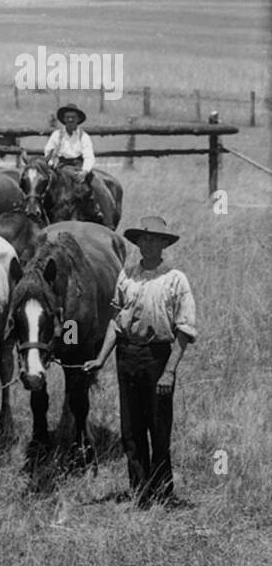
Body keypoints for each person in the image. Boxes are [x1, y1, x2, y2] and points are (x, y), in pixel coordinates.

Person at [84, 216, 197, 509]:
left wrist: (169, 372)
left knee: (158, 428)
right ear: (138, 243)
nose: (149, 244)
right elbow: (116, 322)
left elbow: (185, 329)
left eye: (155, 240)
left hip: (157, 357)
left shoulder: (175, 279)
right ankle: (140, 491)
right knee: (131, 429)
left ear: (164, 244)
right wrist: (100, 359)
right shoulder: (128, 276)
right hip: (127, 356)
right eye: (144, 239)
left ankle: (163, 492)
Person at [44, 104, 104, 218]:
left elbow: (89, 156)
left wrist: (84, 171)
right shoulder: (57, 135)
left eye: (73, 117)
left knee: (98, 187)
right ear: (64, 119)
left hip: (79, 166)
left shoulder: (83, 136)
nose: (70, 120)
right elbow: (48, 152)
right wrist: (53, 163)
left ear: (78, 119)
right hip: (61, 166)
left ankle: (101, 213)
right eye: (67, 117)